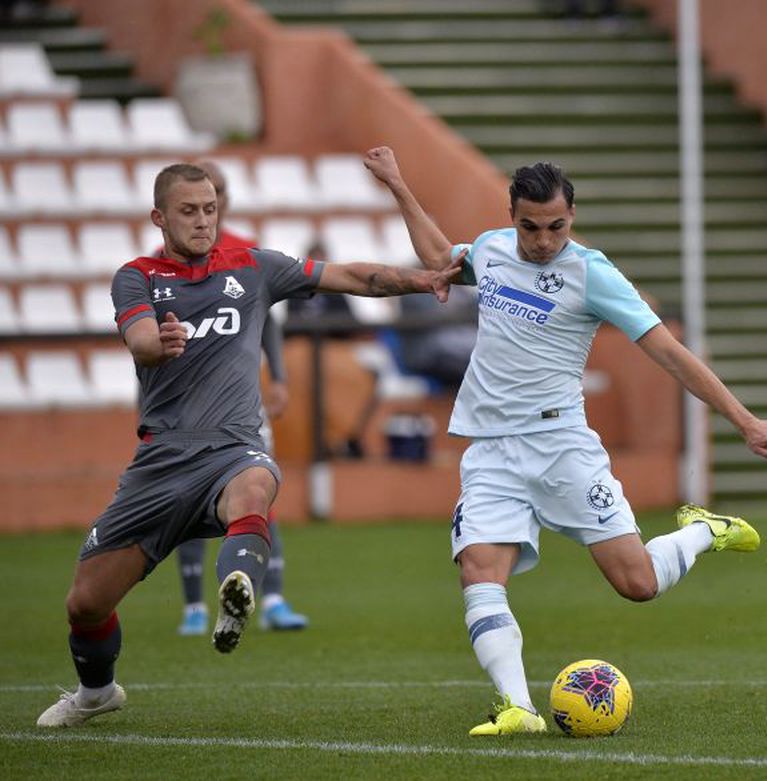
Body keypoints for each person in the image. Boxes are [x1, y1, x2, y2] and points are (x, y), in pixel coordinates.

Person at [362, 147, 767, 736]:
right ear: (512, 218)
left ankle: (702, 531)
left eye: (556, 227)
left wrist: (744, 421)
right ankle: (519, 709)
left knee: (637, 584)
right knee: (479, 571)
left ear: (572, 217)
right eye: (530, 227)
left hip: (561, 445)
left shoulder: (593, 274)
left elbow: (670, 352)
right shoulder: (490, 250)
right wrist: (396, 181)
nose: (543, 241)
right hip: (491, 449)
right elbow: (439, 258)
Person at [35, 162, 459, 728]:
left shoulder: (254, 267)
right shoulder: (136, 277)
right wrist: (160, 342)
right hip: (161, 463)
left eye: (210, 209)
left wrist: (423, 280)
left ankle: (236, 591)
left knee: (256, 483)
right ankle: (97, 692)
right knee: (85, 604)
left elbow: (354, 277)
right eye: (189, 211)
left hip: (232, 448)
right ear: (159, 217)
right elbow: (139, 341)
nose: (203, 221)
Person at [174, 159, 308, 636]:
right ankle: (194, 607)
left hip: (242, 405)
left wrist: (279, 376)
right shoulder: (164, 260)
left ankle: (272, 599)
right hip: (186, 408)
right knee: (186, 501)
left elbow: (267, 319)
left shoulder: (245, 253)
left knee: (259, 492)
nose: (212, 203)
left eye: (219, 192)